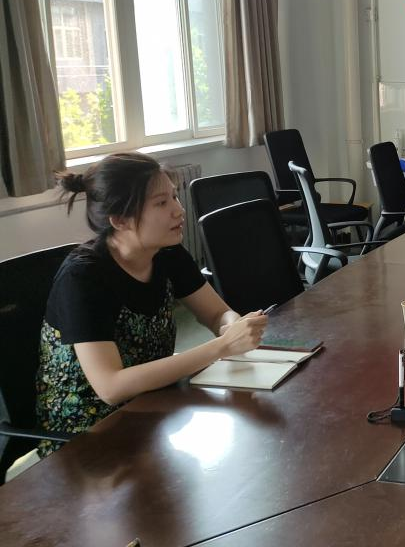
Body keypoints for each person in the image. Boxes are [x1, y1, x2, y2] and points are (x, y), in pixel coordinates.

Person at [37, 153, 268, 455]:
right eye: (161, 203)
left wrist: (232, 325)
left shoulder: (167, 253)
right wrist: (221, 347)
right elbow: (111, 387)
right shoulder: (83, 277)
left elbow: (216, 313)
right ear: (119, 220)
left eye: (174, 196)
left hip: (152, 407)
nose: (178, 210)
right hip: (86, 436)